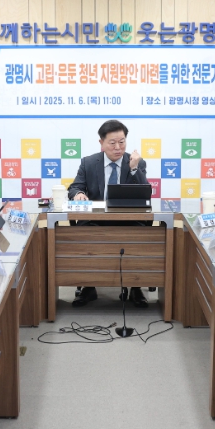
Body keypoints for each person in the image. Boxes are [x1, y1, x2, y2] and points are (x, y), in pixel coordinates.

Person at [67, 120, 149, 308]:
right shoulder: (88, 162)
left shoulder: (136, 161)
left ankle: (136, 286)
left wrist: (134, 168)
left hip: (128, 220)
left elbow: (145, 192)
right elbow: (75, 187)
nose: (118, 147)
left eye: (122, 142)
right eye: (112, 143)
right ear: (102, 143)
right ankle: (88, 286)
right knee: (80, 234)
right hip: (96, 219)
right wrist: (78, 194)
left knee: (143, 236)